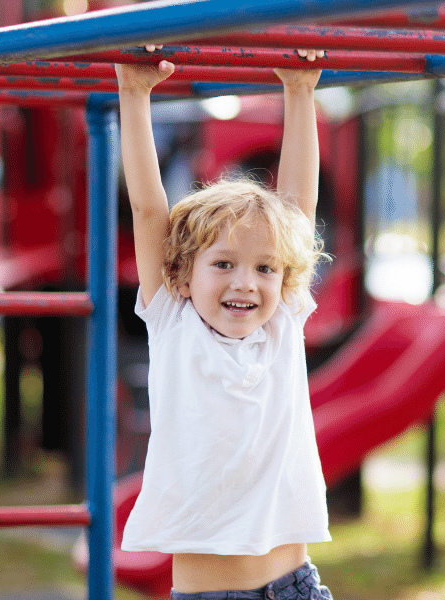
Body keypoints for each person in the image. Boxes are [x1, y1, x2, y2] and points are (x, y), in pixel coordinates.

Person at [114, 46, 333, 600]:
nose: (245, 283)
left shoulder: (282, 326)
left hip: (295, 585)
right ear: (183, 275)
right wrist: (135, 95)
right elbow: (147, 208)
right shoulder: (173, 323)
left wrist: (300, 92)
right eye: (224, 264)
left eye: (264, 268)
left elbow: (298, 215)